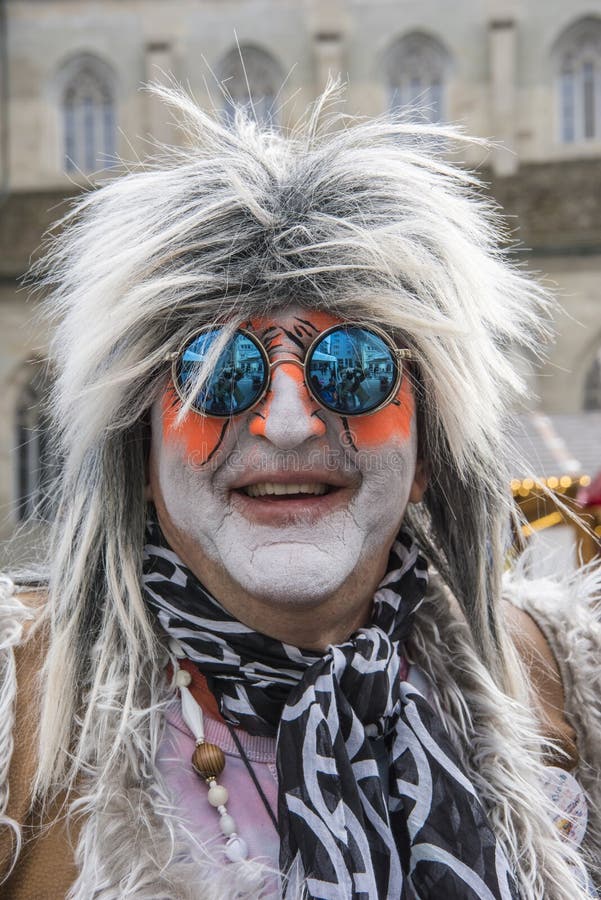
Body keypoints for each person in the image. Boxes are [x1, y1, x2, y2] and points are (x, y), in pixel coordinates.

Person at [0, 86, 600, 900]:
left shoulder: (563, 682)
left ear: (428, 446)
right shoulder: (15, 709)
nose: (286, 422)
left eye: (352, 369)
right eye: (222, 373)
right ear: (139, 446)